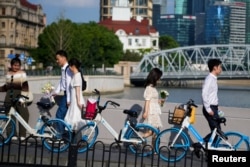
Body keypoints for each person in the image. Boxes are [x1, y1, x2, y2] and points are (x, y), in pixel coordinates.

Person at [0, 56, 30, 140]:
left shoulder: (22, 73)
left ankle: (22, 135)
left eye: (18, 65)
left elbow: (25, 86)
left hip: (19, 95)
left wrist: (22, 98)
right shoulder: (8, 74)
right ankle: (12, 134)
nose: (16, 67)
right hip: (9, 96)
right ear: (11, 65)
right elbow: (6, 87)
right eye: (15, 65)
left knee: (24, 114)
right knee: (9, 115)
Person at [142, 67, 163, 150]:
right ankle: (137, 139)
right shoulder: (149, 88)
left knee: (154, 131)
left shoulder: (152, 88)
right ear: (155, 77)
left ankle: (153, 148)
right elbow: (147, 101)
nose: (159, 79)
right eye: (158, 78)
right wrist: (146, 112)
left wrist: (159, 101)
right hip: (151, 112)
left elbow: (152, 100)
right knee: (152, 131)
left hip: (154, 111)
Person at [202, 58, 222, 141]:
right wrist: (208, 109)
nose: (221, 69)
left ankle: (205, 147)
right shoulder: (209, 79)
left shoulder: (213, 79)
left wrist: (217, 107)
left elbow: (212, 96)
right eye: (220, 67)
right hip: (210, 108)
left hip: (214, 107)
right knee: (217, 131)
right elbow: (204, 94)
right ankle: (199, 146)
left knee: (216, 132)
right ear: (215, 68)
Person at [53, 50, 72, 132]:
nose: (57, 61)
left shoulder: (68, 69)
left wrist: (68, 100)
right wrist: (56, 92)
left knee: (59, 115)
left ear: (64, 58)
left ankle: (60, 135)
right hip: (66, 94)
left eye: (58, 59)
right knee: (65, 116)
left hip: (68, 95)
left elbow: (68, 85)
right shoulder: (63, 69)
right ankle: (64, 135)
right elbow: (62, 81)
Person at [64, 58, 86, 131]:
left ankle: (75, 140)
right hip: (75, 100)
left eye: (70, 66)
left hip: (76, 101)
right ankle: (74, 140)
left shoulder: (76, 76)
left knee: (75, 120)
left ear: (73, 66)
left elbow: (78, 90)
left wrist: (78, 102)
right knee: (74, 121)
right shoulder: (76, 75)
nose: (69, 68)